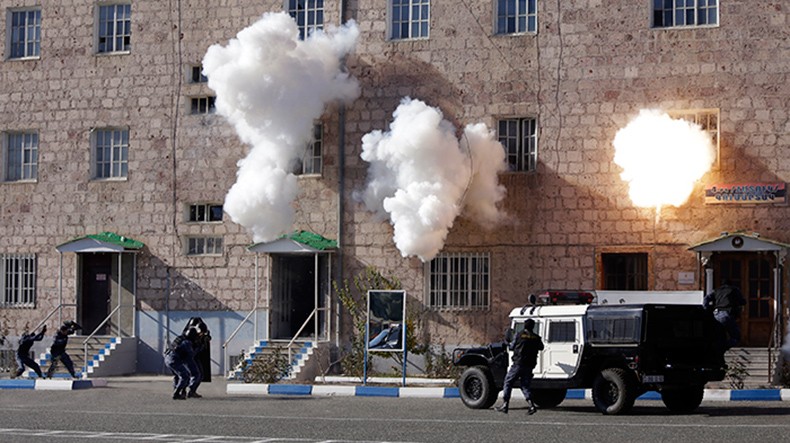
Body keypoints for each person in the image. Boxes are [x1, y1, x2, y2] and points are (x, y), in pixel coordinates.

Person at [495, 318, 545, 415]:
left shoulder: (518, 335)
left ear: (524, 326)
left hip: (518, 364)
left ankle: (505, 404)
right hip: (529, 365)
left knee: (508, 382)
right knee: (525, 385)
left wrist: (507, 342)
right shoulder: (536, 337)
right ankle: (531, 405)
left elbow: (512, 347)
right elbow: (541, 347)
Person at [704, 279, 746, 349]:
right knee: (736, 336)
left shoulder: (716, 290)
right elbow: (742, 301)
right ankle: (724, 346)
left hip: (716, 314)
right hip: (727, 313)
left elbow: (706, 298)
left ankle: (717, 347)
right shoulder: (734, 290)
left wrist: (706, 309)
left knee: (718, 335)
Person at [165, 327, 200, 400]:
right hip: (174, 360)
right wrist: (198, 347)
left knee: (177, 376)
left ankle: (179, 391)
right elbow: (191, 355)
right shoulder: (187, 342)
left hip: (168, 358)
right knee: (185, 376)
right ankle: (176, 393)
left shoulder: (180, 339)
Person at [182, 317, 211, 397]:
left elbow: (205, 339)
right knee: (187, 375)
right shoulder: (188, 333)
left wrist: (205, 339)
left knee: (199, 374)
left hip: (194, 356)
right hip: (188, 356)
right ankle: (183, 390)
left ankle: (191, 390)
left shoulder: (200, 333)